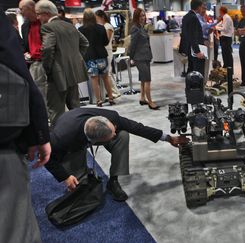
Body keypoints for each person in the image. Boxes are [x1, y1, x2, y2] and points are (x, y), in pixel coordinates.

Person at [44, 108, 189, 201]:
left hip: (85, 133)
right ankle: (78, 171)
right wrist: (65, 177)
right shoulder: (61, 138)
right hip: (72, 142)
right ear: (97, 141)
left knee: (123, 135)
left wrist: (169, 138)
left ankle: (113, 181)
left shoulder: (110, 118)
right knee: (77, 183)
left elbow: (137, 127)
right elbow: (47, 158)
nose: (115, 133)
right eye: (111, 134)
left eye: (113, 129)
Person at [0, 10, 51, 243]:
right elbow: (15, 68)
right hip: (4, 144)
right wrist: (37, 133)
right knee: (15, 229)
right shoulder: (24, 29)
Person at [36, 0, 89, 126]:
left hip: (57, 76)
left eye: (38, 14)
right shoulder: (69, 25)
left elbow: (48, 49)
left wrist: (48, 68)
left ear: (46, 13)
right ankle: (81, 140)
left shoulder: (47, 27)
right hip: (73, 74)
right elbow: (85, 43)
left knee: (56, 112)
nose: (37, 17)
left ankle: (60, 142)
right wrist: (75, 60)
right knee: (76, 110)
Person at [79, 8, 115, 107]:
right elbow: (106, 42)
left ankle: (98, 100)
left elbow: (80, 44)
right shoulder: (101, 27)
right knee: (105, 78)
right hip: (102, 56)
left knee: (94, 79)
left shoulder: (81, 30)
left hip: (89, 57)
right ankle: (111, 98)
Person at [129, 8, 160, 110]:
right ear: (136, 17)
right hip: (139, 58)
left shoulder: (142, 27)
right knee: (147, 79)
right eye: (141, 16)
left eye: (144, 15)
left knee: (143, 79)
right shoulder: (135, 28)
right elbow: (132, 44)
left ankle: (142, 98)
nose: (143, 17)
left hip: (145, 57)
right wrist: (131, 57)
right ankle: (150, 101)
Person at [19, 0, 47, 102]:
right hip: (34, 64)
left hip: (49, 61)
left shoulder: (45, 22)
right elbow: (24, 44)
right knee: (39, 93)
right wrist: (25, 53)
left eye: (22, 9)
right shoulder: (25, 26)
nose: (20, 12)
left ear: (30, 8)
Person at [95, 10, 122, 99]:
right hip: (104, 51)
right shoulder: (103, 26)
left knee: (108, 73)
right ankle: (113, 91)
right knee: (108, 73)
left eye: (97, 18)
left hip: (107, 51)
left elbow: (106, 40)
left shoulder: (108, 26)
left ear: (102, 17)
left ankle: (114, 92)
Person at [179, 0, 206, 76]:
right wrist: (197, 51)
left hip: (189, 48)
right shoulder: (193, 18)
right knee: (198, 72)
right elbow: (193, 36)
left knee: (191, 70)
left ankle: (190, 87)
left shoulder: (186, 17)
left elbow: (185, 34)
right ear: (198, 7)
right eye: (201, 7)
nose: (202, 8)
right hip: (194, 50)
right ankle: (197, 87)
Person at [215, 6, 234, 72]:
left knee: (227, 54)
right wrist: (215, 27)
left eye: (219, 11)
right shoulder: (224, 17)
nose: (219, 12)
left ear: (221, 11)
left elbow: (224, 28)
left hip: (226, 38)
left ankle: (230, 70)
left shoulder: (227, 18)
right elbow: (218, 25)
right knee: (224, 54)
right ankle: (226, 68)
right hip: (224, 38)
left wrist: (216, 28)